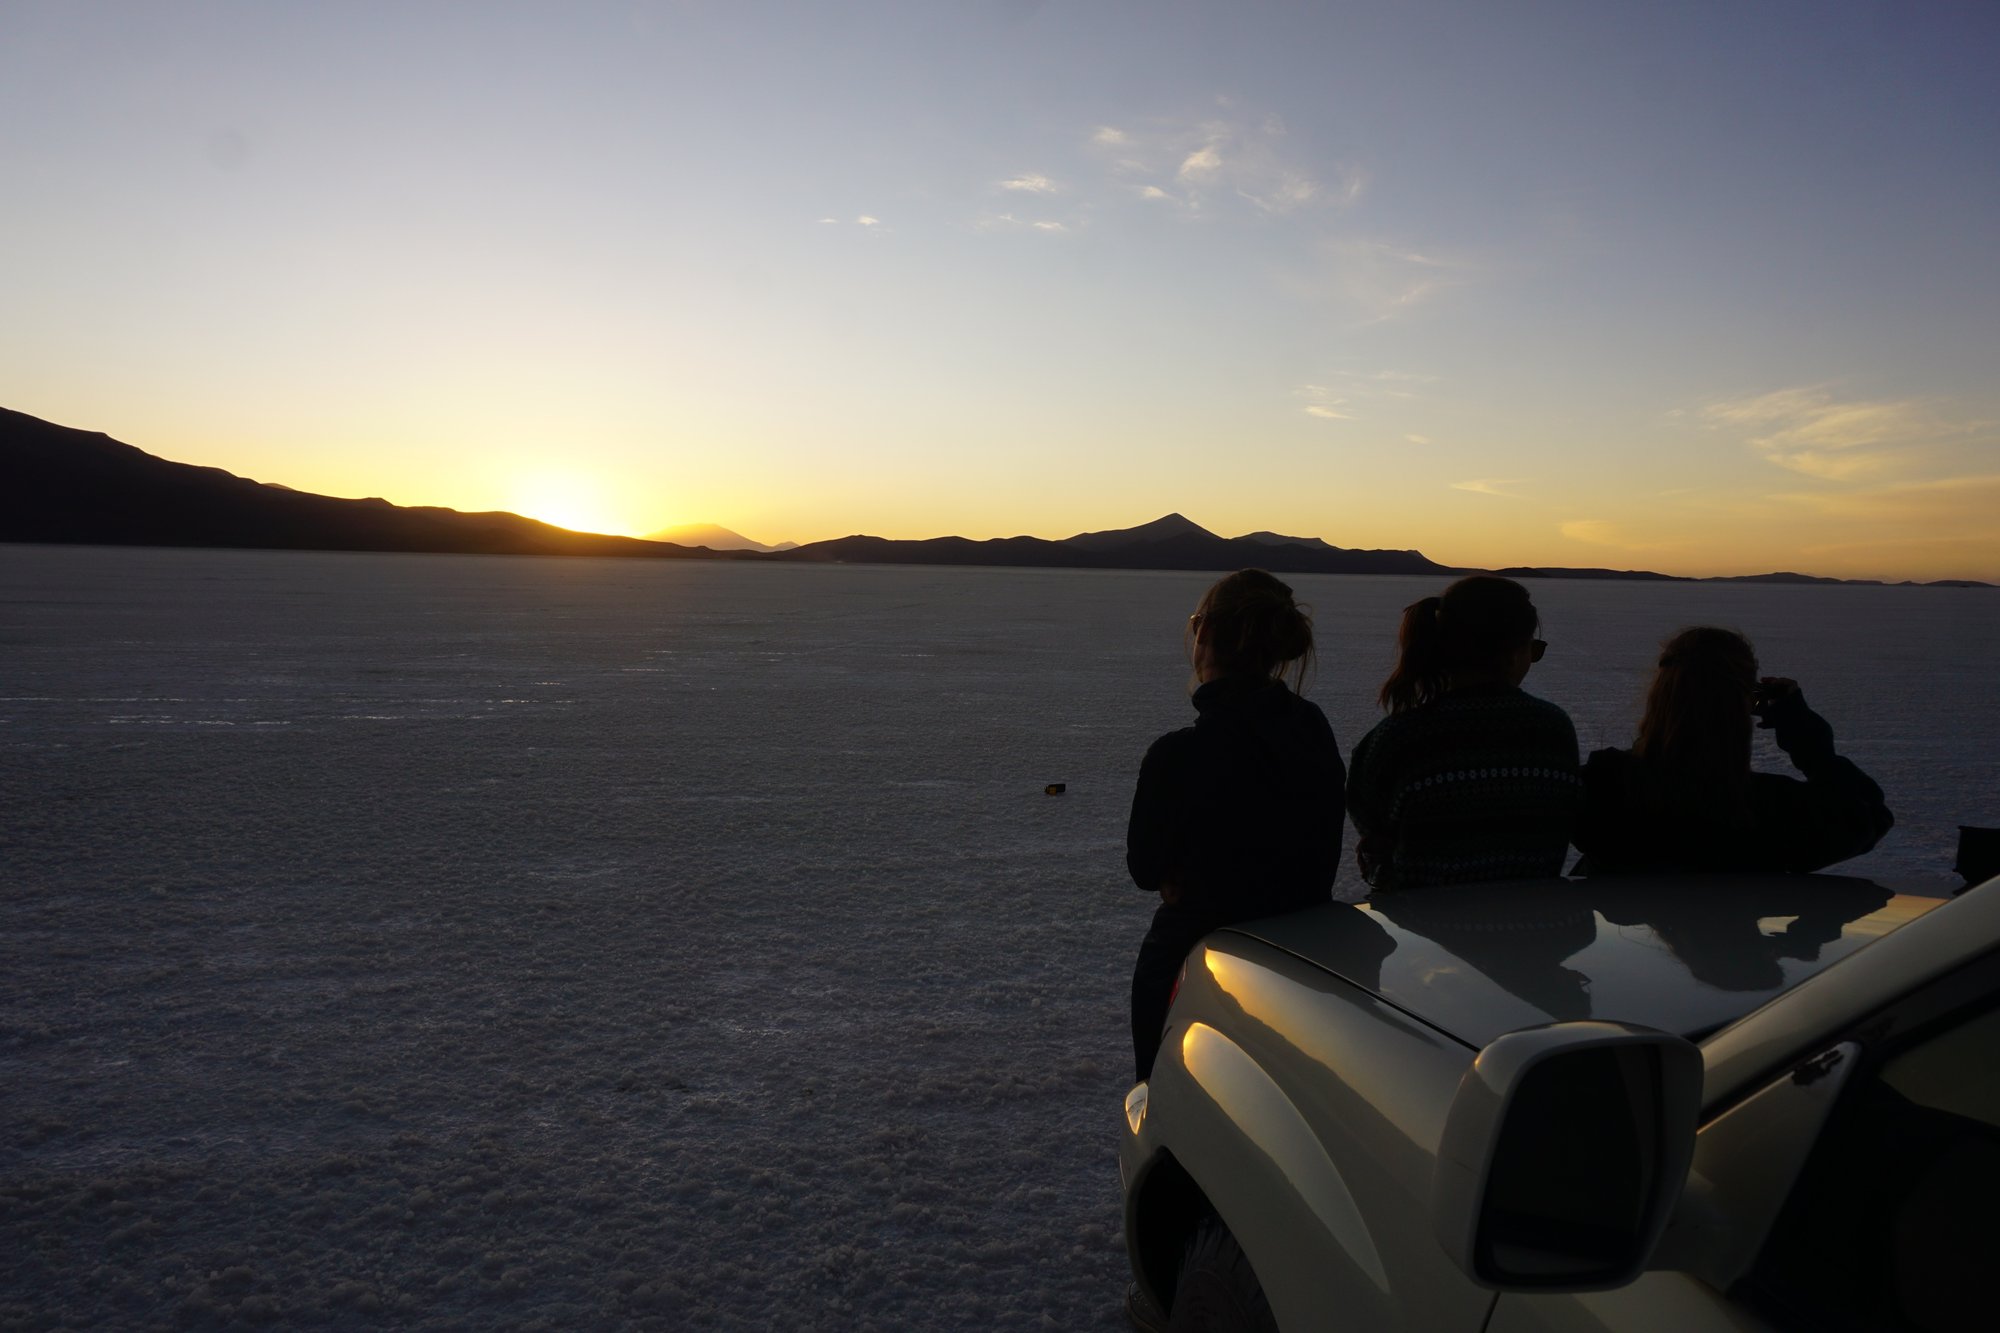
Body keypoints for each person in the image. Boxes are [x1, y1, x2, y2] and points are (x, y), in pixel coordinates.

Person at [1126, 569, 1345, 1083]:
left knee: (1173, 1100)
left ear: (1203, 632)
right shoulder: (1311, 728)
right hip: (1305, 953)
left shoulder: (1179, 755)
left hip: (1195, 963)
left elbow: (1146, 868)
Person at [1572, 626, 1892, 874]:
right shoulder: (1773, 810)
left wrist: (1655, 740)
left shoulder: (1602, 788)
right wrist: (1804, 733)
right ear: (1745, 703)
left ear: (1660, 694)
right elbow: (1869, 816)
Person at [1346, 575, 1582, 889]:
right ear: (1513, 654)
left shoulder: (1397, 739)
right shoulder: (1553, 730)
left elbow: (1373, 836)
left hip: (1420, 917)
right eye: (1533, 649)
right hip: (1536, 916)